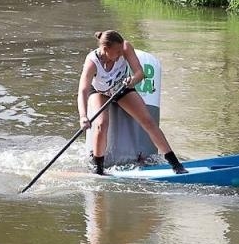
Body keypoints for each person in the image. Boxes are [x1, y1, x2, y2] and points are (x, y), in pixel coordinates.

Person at [77, 30, 185, 174]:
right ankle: (99, 169)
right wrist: (83, 117)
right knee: (101, 124)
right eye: (117, 51)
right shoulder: (92, 62)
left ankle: (175, 164)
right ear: (105, 49)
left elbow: (140, 73)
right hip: (99, 91)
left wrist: (132, 80)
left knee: (148, 121)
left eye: (122, 50)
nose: (121, 53)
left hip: (122, 87)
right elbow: (82, 91)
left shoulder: (125, 47)